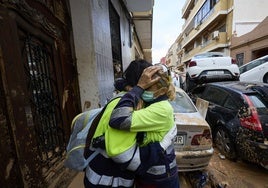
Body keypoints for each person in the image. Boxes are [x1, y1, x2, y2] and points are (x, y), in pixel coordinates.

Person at [83, 59, 178, 187]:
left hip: (101, 176)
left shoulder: (127, 98)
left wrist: (134, 89)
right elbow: (124, 156)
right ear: (143, 82)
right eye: (148, 81)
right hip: (106, 181)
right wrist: (161, 145)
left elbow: (120, 83)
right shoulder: (127, 105)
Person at [109, 64, 179, 188]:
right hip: (149, 172)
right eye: (143, 87)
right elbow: (119, 82)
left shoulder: (161, 109)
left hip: (161, 178)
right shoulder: (151, 101)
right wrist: (137, 87)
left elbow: (118, 120)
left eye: (147, 88)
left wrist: (139, 88)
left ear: (162, 91)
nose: (143, 92)